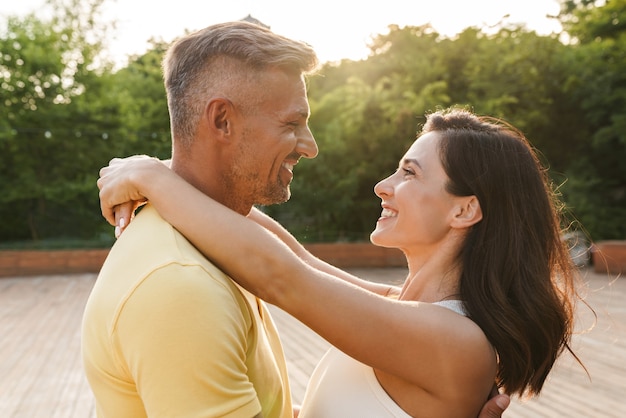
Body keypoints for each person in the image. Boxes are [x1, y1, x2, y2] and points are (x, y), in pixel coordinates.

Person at [96, 107, 583, 417]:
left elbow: (281, 277)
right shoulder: (408, 311)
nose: (384, 185)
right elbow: (297, 259)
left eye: (409, 173)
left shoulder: (457, 343)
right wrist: (161, 169)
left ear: (464, 209)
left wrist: (154, 180)